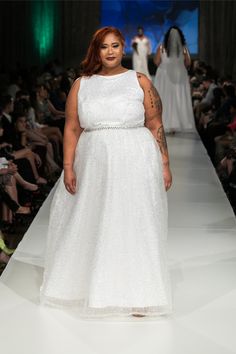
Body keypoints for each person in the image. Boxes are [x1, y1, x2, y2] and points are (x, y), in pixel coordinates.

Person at [40, 26, 172, 318]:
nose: (110, 51)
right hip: (95, 160)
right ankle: (92, 287)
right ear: (96, 50)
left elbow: (155, 124)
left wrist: (164, 164)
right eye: (104, 46)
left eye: (115, 45)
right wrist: (68, 165)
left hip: (136, 159)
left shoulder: (139, 81)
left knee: (136, 221)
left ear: (123, 47)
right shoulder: (82, 84)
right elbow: (72, 127)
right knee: (94, 220)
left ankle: (141, 293)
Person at [153, 26, 195, 133]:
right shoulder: (184, 48)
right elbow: (188, 63)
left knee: (165, 98)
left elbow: (156, 62)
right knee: (178, 99)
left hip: (164, 76)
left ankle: (166, 122)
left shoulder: (162, 47)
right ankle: (177, 123)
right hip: (179, 76)